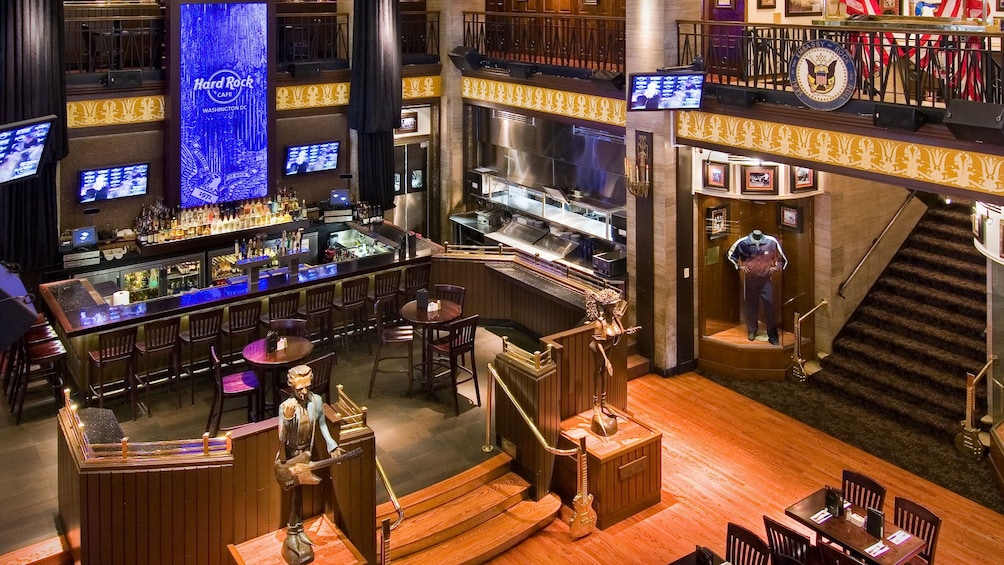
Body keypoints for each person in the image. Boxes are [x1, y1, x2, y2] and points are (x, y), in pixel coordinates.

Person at [275, 365, 341, 565]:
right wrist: (286, 419)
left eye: (307, 387)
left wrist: (331, 444)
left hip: (306, 454)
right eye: (299, 389)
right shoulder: (286, 406)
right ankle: (293, 531)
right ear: (291, 386)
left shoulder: (317, 401)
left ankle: (298, 529)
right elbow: (281, 438)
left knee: (300, 494)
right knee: (295, 494)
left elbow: (321, 424)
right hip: (291, 458)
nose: (303, 392)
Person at [585, 288, 639, 436]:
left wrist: (627, 331)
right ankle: (595, 404)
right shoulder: (599, 323)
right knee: (598, 371)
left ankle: (603, 401)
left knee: (604, 372)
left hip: (609, 346)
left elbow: (619, 332)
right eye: (612, 305)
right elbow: (598, 344)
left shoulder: (615, 318)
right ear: (606, 307)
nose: (615, 307)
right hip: (599, 349)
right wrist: (607, 360)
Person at [727, 229, 788, 345]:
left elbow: (782, 258)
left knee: (770, 306)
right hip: (750, 280)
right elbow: (731, 255)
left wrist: (776, 267)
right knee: (751, 306)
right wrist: (739, 267)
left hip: (766, 280)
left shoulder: (771, 242)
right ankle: (752, 330)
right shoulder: (743, 242)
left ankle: (772, 335)